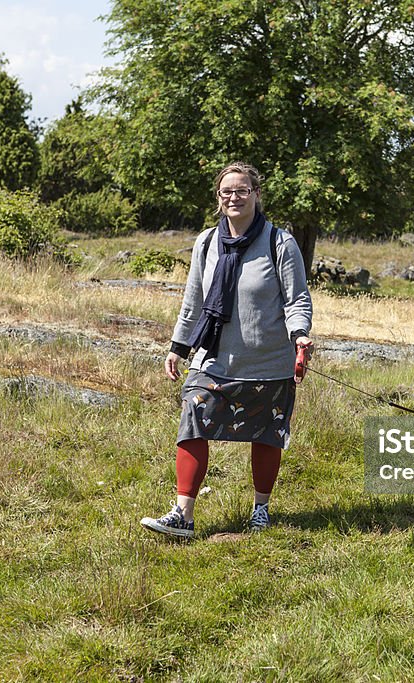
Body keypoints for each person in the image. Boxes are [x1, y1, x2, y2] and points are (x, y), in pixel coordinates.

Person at [140, 161, 313, 538]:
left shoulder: (279, 242)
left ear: (256, 194)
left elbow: (297, 298)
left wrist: (299, 334)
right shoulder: (206, 242)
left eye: (242, 190)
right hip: (214, 356)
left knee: (267, 434)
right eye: (227, 192)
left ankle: (260, 511)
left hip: (268, 361)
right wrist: (178, 347)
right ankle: (183, 514)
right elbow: (194, 301)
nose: (234, 197)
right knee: (194, 413)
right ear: (219, 199)